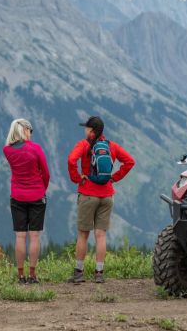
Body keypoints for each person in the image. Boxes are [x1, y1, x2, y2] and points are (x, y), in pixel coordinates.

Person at [67, 116, 135, 283]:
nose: (85, 131)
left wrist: (77, 178)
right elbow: (129, 161)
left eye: (86, 128)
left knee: (83, 234)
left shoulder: (83, 145)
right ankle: (99, 273)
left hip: (88, 193)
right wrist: (114, 178)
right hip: (107, 195)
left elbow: (71, 160)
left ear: (91, 131)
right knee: (101, 235)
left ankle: (78, 273)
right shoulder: (111, 146)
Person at [3, 118, 50, 284]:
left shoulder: (7, 150)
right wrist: (41, 189)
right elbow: (46, 172)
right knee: (34, 236)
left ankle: (20, 275)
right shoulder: (35, 148)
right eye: (29, 129)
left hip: (17, 196)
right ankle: (33, 274)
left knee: (20, 236)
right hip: (37, 195)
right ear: (23, 130)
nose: (31, 132)